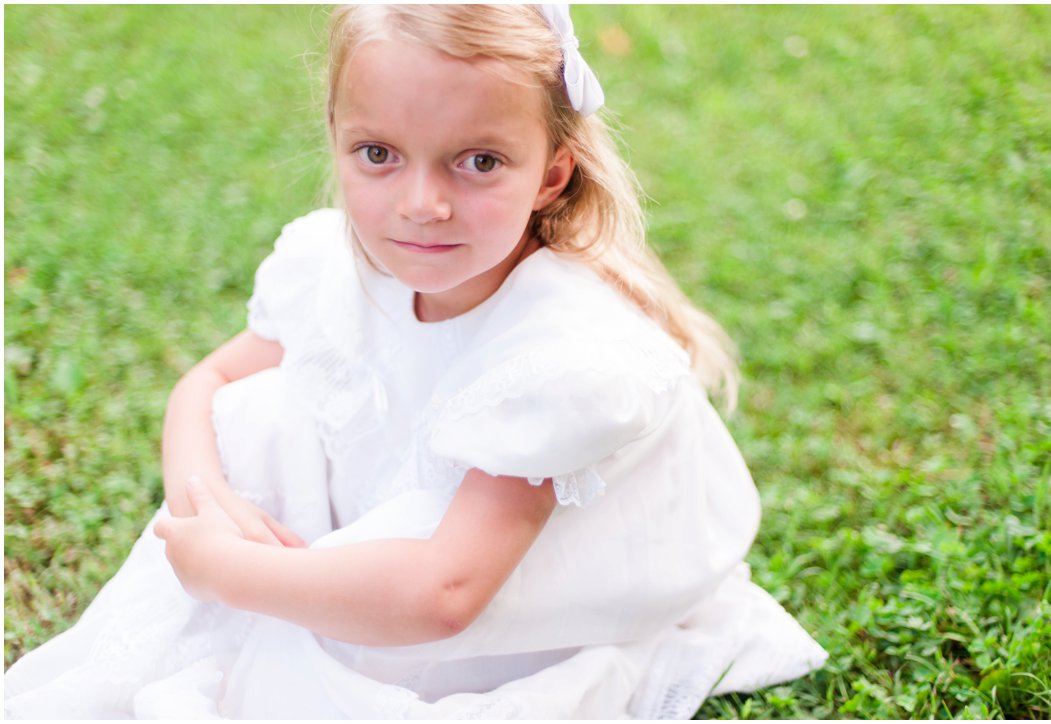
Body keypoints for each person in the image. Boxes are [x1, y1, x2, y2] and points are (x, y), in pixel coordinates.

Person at [4, 5, 827, 719]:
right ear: (336, 140)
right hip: (406, 541)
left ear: (552, 174)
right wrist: (204, 503)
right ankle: (300, 588)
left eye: (478, 162)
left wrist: (232, 574)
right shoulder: (338, 265)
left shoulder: (563, 354)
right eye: (378, 154)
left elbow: (446, 594)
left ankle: (310, 604)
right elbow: (206, 385)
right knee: (254, 413)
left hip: (497, 588)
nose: (422, 203)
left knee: (325, 653)